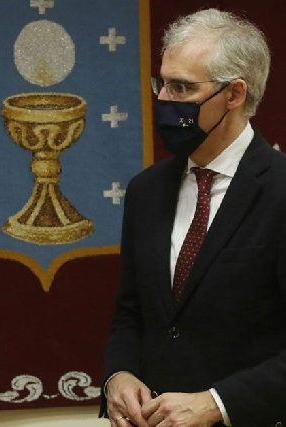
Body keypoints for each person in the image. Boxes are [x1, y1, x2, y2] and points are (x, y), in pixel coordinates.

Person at [102, 8, 286, 427]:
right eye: (162, 83)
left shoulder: (280, 191)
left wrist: (217, 403)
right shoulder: (145, 191)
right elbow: (132, 310)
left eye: (181, 88)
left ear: (234, 94)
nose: (164, 101)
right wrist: (119, 375)